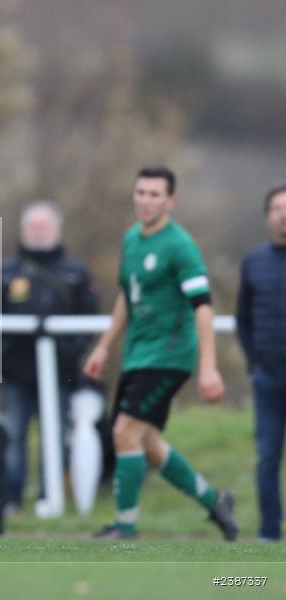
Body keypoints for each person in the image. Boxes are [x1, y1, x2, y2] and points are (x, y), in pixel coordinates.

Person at [83, 166, 238, 540]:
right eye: (141, 192)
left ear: (171, 201)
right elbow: (127, 295)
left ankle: (125, 526)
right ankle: (215, 502)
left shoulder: (179, 245)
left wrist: (208, 367)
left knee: (123, 432)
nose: (146, 200)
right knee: (146, 443)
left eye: (155, 194)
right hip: (139, 354)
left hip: (170, 355)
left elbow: (203, 306)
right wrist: (104, 346)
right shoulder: (132, 239)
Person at [0, 200, 98, 512]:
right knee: (13, 437)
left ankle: (48, 498)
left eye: (44, 227)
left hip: (60, 373)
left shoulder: (75, 272)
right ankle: (12, 499)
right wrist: (3, 355)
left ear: (57, 230)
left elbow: (90, 318)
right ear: (23, 231)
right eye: (33, 227)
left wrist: (69, 353)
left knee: (55, 437)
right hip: (15, 374)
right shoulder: (6, 272)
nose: (38, 233)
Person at [236, 185, 286, 542]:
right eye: (277, 208)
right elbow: (243, 318)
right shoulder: (254, 261)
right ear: (267, 215)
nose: (283, 214)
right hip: (267, 378)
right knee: (267, 457)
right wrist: (253, 361)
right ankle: (269, 531)